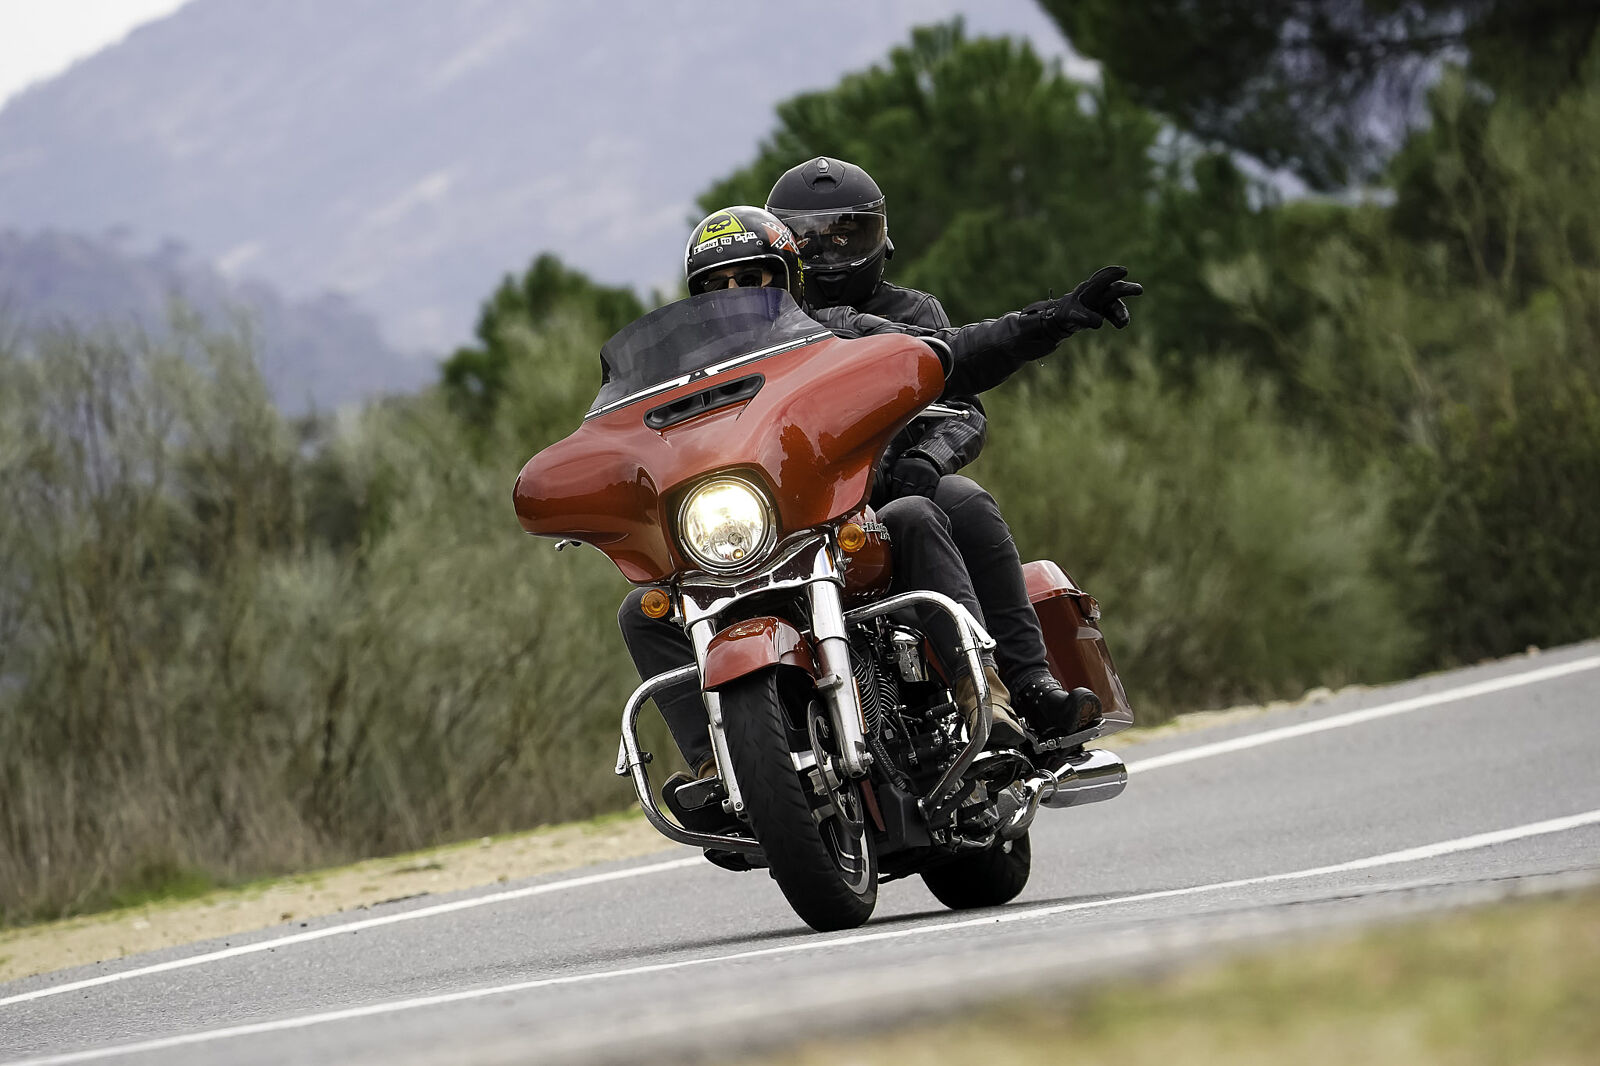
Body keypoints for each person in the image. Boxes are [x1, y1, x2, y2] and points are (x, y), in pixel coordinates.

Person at [621, 205, 1139, 819]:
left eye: (751, 278)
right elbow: (619, 438)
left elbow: (951, 352)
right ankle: (719, 770)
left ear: (786, 278)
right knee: (642, 612)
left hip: (839, 519)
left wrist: (1051, 319)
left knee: (920, 513)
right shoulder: (675, 378)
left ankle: (989, 695)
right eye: (716, 285)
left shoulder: (833, 333)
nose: (735, 295)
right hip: (742, 537)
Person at [765, 156, 1136, 737]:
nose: (831, 252)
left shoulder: (909, 314)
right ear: (783, 248)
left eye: (847, 234)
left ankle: (1027, 684)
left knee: (961, 499)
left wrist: (926, 458)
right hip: (778, 513)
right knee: (647, 607)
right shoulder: (760, 333)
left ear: (880, 237)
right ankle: (718, 755)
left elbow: (962, 397)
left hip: (885, 493)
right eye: (812, 237)